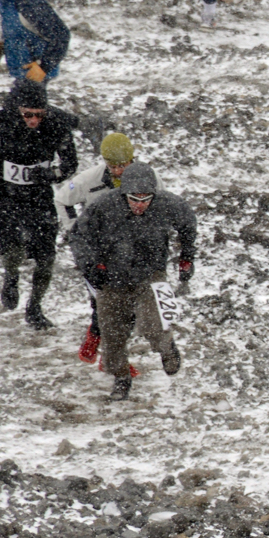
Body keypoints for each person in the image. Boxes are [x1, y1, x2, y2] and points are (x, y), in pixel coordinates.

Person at [69, 161, 198, 401]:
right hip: (112, 276)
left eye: (145, 199)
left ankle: (166, 348)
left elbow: (188, 224)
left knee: (154, 322)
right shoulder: (104, 206)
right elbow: (78, 235)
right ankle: (121, 377)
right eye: (133, 199)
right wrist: (90, 266)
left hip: (151, 274)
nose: (140, 205)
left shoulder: (168, 204)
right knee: (112, 333)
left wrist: (186, 258)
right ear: (122, 193)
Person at [0, 80, 79, 331]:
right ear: (18, 110)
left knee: (47, 256)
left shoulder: (57, 123)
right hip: (7, 195)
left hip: (39, 197)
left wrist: (51, 175)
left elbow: (71, 164)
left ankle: (35, 307)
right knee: (11, 247)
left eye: (39, 115)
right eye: (28, 115)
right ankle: (11, 276)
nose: (34, 120)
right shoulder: (2, 119)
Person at [57, 131, 137, 364]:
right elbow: (63, 199)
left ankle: (102, 350)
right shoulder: (88, 180)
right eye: (113, 166)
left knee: (129, 308)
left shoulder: (147, 178)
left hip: (132, 253)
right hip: (97, 252)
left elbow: (161, 205)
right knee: (106, 305)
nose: (119, 171)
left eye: (124, 165)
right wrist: (74, 231)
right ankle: (106, 355)